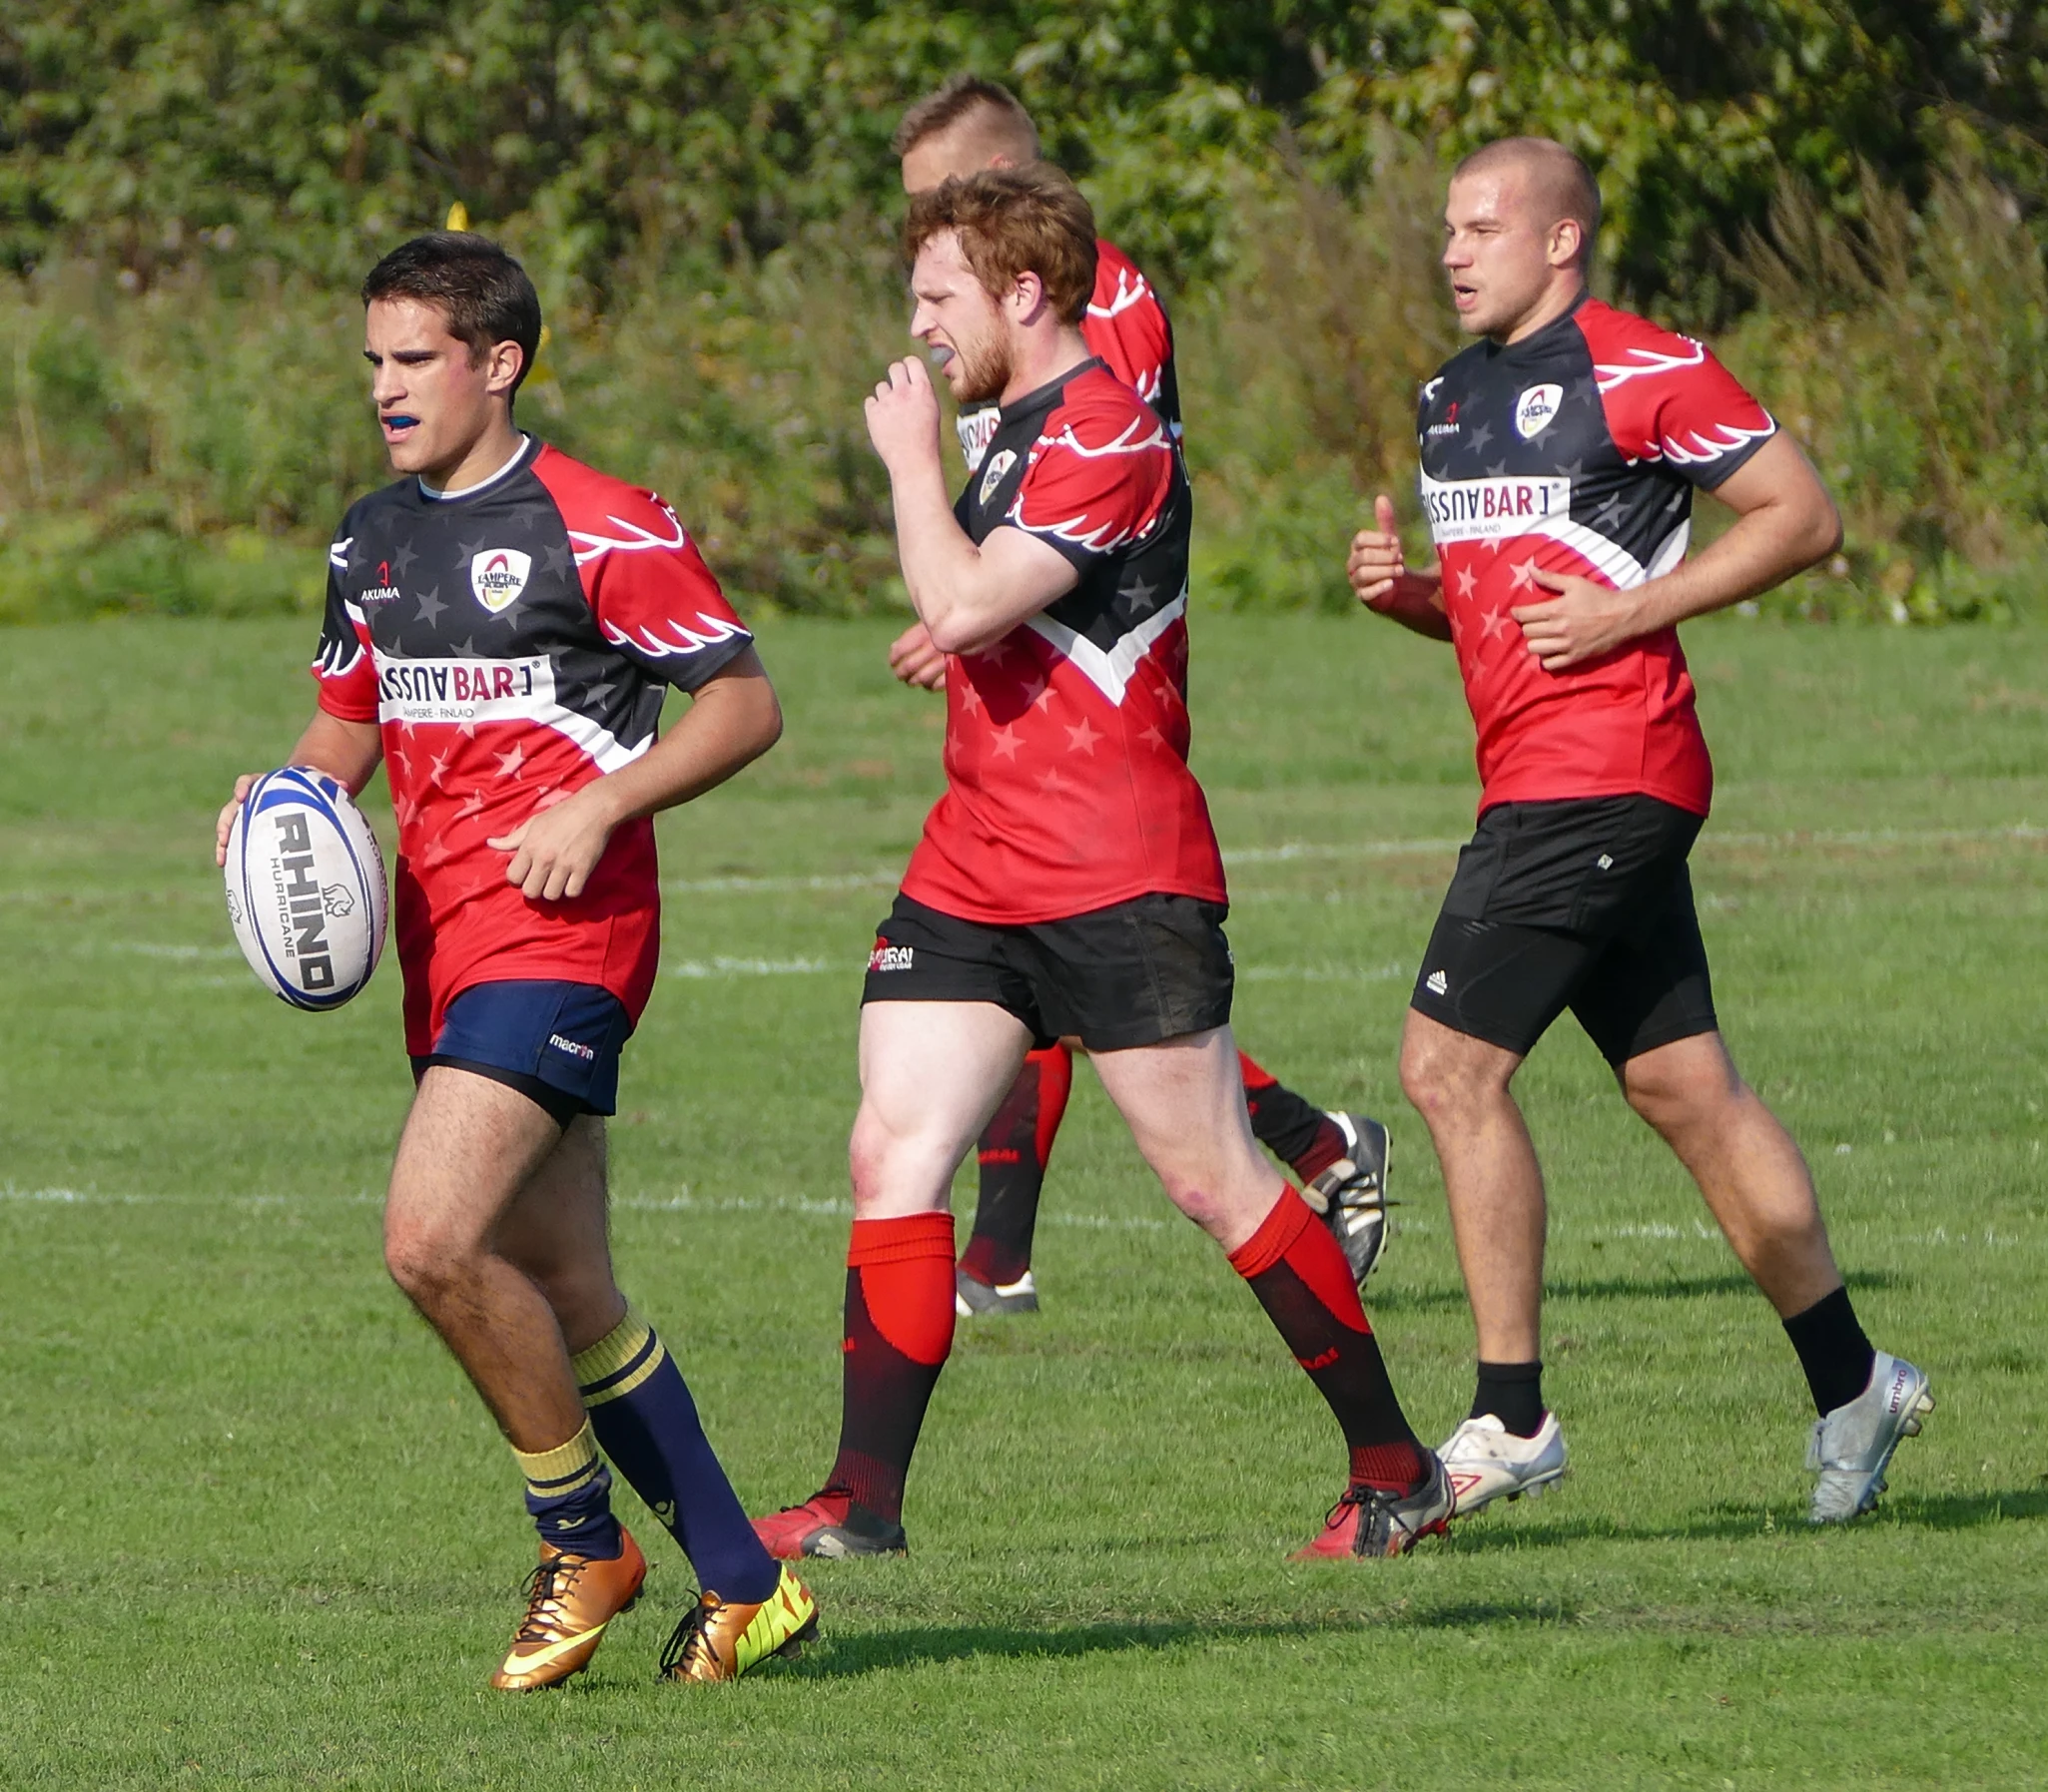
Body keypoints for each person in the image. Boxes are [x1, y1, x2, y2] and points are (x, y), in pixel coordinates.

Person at [753, 164, 1448, 1564]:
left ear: (1024, 291)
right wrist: (951, 573)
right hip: (975, 859)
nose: (920, 325)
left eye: (939, 296)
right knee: (891, 1144)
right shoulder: (1007, 427)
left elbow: (958, 594)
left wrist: (904, 468)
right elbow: (979, 611)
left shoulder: (1101, 426)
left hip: (1115, 861)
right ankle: (857, 1499)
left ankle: (1394, 1466)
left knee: (1212, 1176)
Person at [215, 232, 819, 1687]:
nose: (384, 385)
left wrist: (602, 800)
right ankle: (746, 1577)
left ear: (499, 362)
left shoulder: (598, 523)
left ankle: (579, 1537)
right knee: (561, 1271)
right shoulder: (369, 537)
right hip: (442, 940)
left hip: (565, 934)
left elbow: (741, 705)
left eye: (414, 357)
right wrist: (285, 798)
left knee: (430, 1239)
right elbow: (348, 721)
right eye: (372, 358)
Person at [1346, 138, 1931, 1524]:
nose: (1450, 248)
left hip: (1599, 774)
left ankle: (1508, 1410)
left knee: (1443, 1068)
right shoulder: (1445, 398)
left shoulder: (1644, 365)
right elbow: (1511, 605)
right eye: (1444, 226)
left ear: (1560, 241)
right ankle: (1851, 1378)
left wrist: (1628, 615)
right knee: (1685, 1092)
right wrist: (1412, 596)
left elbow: (1802, 515)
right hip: (1545, 780)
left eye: (1480, 225)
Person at [886, 74, 1394, 1320]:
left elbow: (1091, 493)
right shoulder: (991, 307)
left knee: (1078, 995)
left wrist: (976, 601)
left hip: (1095, 697)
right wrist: (963, 607)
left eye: (940, 203)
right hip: (1016, 659)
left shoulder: (1090, 308)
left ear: (1004, 180)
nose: (919, 246)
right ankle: (1297, 1153)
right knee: (1018, 987)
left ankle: (1286, 1168)